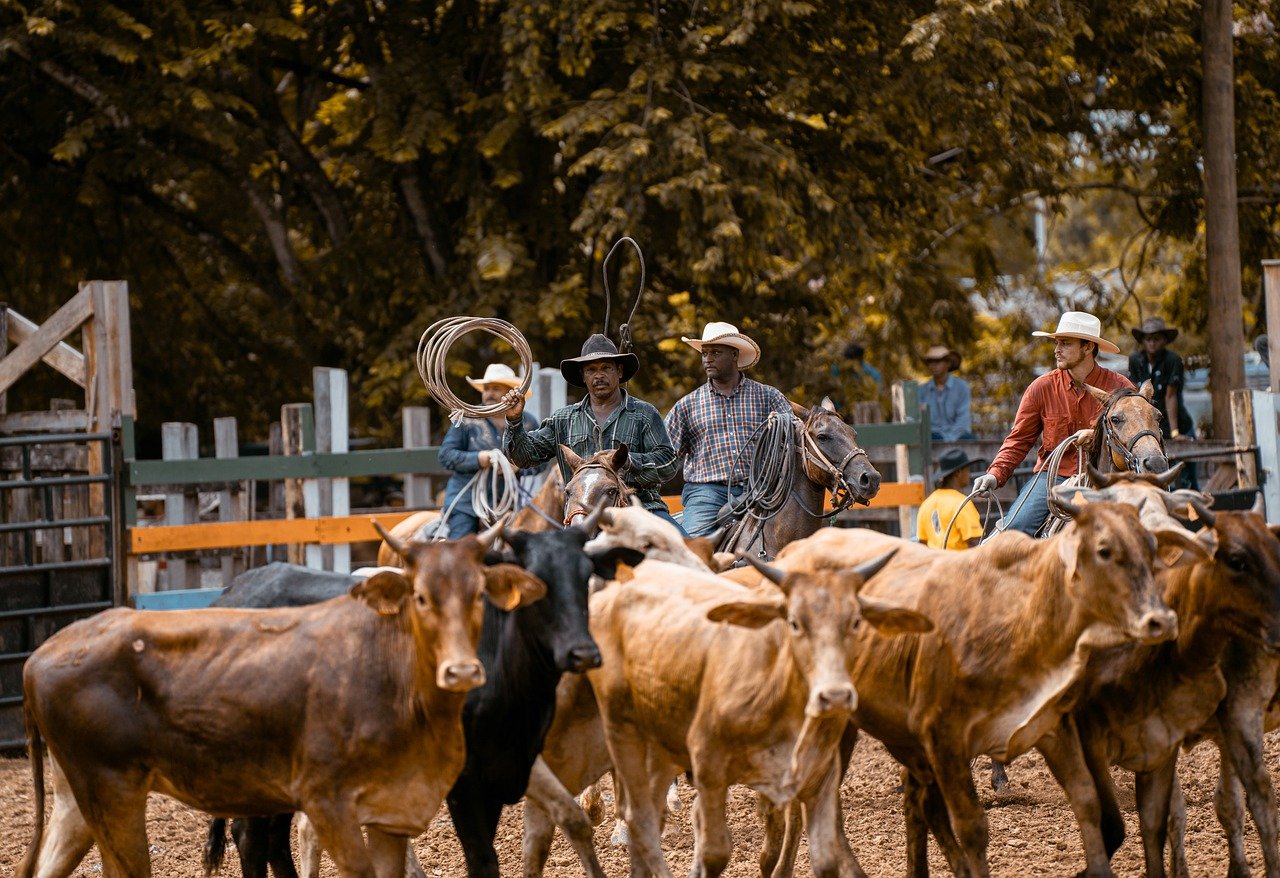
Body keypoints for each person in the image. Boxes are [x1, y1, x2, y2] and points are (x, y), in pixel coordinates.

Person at [973, 311, 1133, 536]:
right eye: (1057, 343)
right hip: (1053, 476)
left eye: (1065, 343)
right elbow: (1019, 439)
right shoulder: (1041, 387)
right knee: (1014, 531)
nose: (1056, 350)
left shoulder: (1120, 388)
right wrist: (995, 474)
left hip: (1107, 477)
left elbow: (1133, 438)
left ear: (1088, 347)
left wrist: (1096, 435)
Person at [500, 334, 682, 529]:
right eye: (591, 370)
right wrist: (514, 420)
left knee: (687, 551)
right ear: (583, 376)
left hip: (641, 509)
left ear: (619, 371)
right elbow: (523, 457)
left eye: (606, 368)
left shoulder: (643, 414)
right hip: (580, 516)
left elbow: (669, 463)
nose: (599, 375)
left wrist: (629, 462)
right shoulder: (563, 419)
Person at [664, 321, 793, 537]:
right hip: (707, 493)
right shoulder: (687, 405)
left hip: (762, 489)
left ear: (734, 355)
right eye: (704, 353)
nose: (708, 359)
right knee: (694, 547)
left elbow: (794, 438)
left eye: (715, 352)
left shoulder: (768, 397)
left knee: (792, 538)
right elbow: (665, 454)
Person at [437, 363, 541, 539]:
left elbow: (541, 458)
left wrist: (518, 465)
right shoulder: (466, 418)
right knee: (462, 547)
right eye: (486, 389)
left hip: (507, 505)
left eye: (496, 388)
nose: (489, 393)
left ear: (510, 391)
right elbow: (446, 455)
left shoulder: (528, 422)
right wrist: (479, 459)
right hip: (466, 503)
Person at [1128, 317, 1193, 443]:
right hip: (1149, 426)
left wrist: (1175, 433)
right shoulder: (1135, 360)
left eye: (1156, 339)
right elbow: (1136, 395)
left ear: (1164, 340)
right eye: (1148, 339)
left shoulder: (1172, 360)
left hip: (1176, 424)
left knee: (1189, 458)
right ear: (1143, 341)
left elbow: (1171, 396)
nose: (1152, 343)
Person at [918, 448, 986, 549]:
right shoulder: (961, 503)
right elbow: (975, 543)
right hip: (959, 563)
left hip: (935, 563)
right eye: (967, 470)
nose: (969, 474)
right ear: (958, 472)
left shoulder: (926, 504)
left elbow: (922, 543)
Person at [918, 344, 975, 441]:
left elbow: (963, 420)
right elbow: (919, 421)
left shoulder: (962, 388)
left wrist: (947, 439)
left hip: (958, 437)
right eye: (930, 362)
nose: (933, 366)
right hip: (931, 438)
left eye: (938, 361)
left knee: (971, 440)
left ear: (948, 363)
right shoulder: (922, 390)